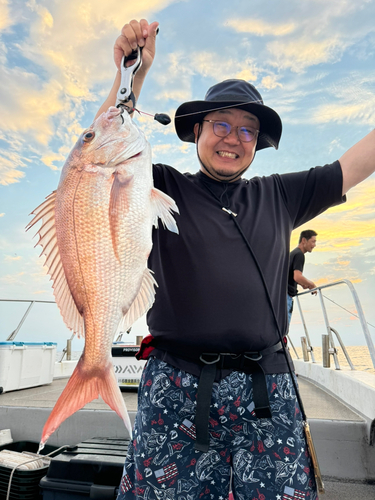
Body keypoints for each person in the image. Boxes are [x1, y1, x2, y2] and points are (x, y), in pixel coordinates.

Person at [96, 19, 375, 500]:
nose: (233, 137)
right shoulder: (158, 183)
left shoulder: (282, 195)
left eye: (247, 129)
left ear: (257, 144)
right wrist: (132, 77)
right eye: (221, 124)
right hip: (176, 384)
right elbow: (100, 157)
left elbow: (358, 161)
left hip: (268, 387)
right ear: (198, 131)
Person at [287, 230, 318, 324]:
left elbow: (291, 276)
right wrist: (312, 285)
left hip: (281, 295)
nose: (314, 245)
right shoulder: (299, 255)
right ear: (304, 240)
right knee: (284, 328)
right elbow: (297, 277)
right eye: (313, 241)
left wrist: (303, 284)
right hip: (286, 296)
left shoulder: (293, 253)